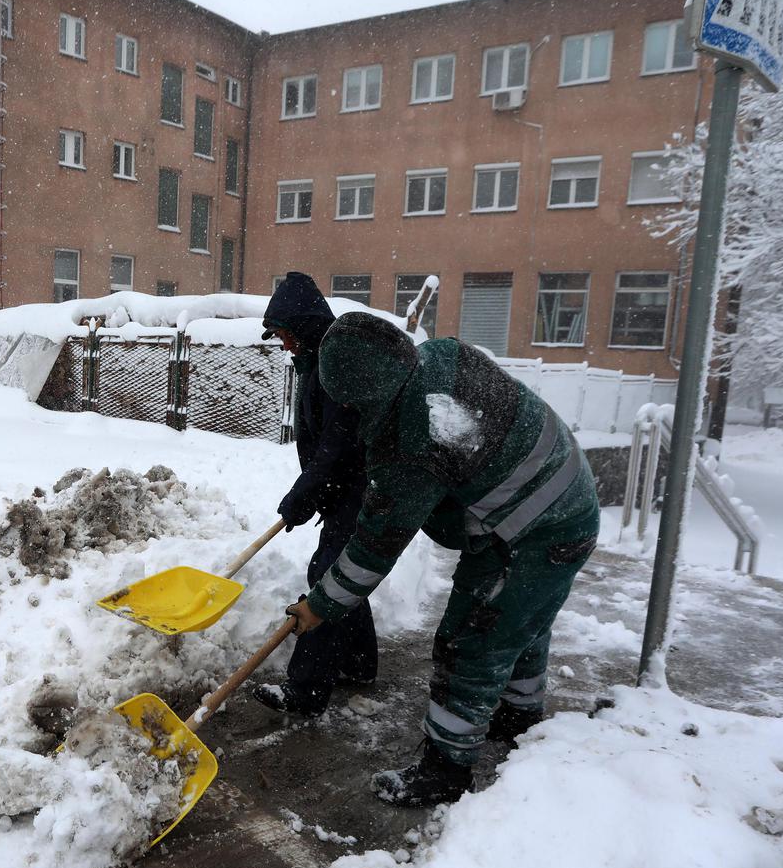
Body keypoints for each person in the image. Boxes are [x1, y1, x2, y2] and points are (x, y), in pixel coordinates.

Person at [284, 312, 599, 807]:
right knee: (521, 622)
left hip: (531, 529)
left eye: (351, 404)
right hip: (567, 500)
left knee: (472, 638)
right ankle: (517, 717)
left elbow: (373, 549)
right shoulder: (438, 356)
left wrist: (320, 605)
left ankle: (445, 771)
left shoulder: (415, 438)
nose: (349, 414)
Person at [253, 272, 376, 717]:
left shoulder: (335, 367)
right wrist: (310, 494)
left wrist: (301, 498)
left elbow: (337, 448)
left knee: (327, 578)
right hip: (343, 489)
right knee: (344, 573)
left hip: (359, 489)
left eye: (287, 334)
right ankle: (360, 665)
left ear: (304, 327)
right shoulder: (314, 362)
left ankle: (305, 692)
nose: (284, 344)